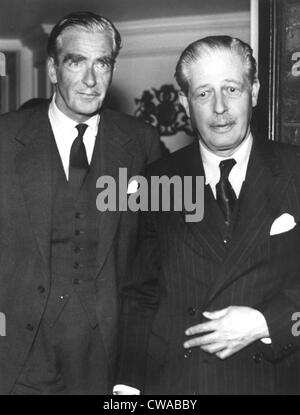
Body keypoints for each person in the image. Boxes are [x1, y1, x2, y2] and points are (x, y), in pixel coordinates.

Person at [116, 36, 300, 394]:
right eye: (203, 93)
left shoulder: (296, 170)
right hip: (180, 385)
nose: (219, 107)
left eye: (231, 89)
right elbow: (141, 294)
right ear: (185, 102)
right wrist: (128, 385)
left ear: (255, 92)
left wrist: (267, 323)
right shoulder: (156, 182)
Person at [0, 11, 161, 395]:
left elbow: (157, 255)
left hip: (104, 360)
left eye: (102, 63)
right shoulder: (5, 140)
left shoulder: (141, 144)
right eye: (77, 62)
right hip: (18, 358)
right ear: (54, 70)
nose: (91, 80)